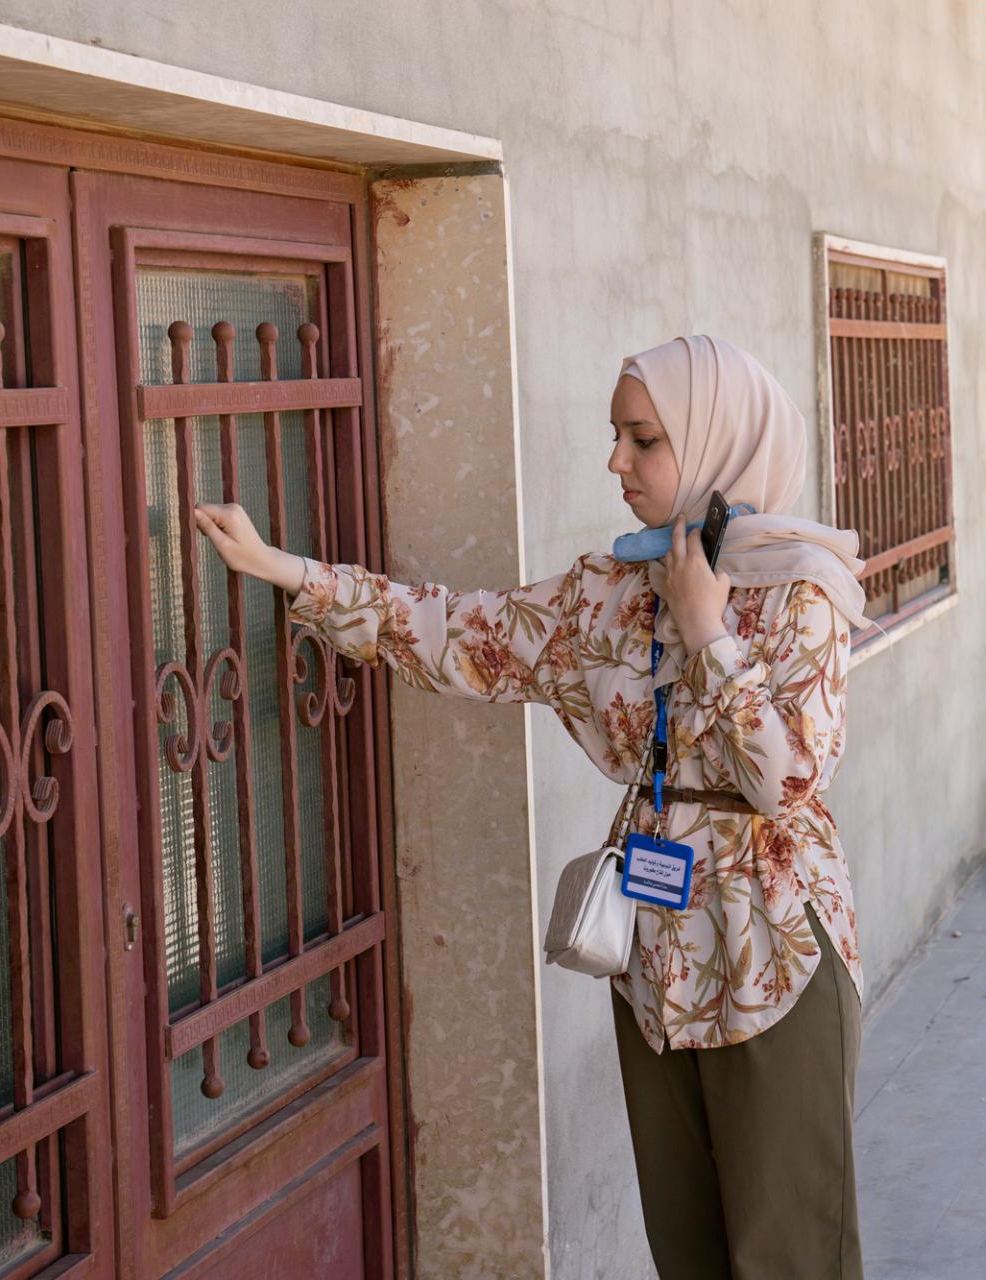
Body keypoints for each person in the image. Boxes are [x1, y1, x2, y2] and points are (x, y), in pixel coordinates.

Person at [195, 335, 869, 1279]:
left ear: (718, 439)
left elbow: (787, 778)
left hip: (774, 958)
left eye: (643, 439)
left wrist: (707, 625)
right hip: (654, 961)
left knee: (791, 1258)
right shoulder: (605, 594)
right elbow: (456, 631)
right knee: (690, 1254)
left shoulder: (802, 588)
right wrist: (290, 574)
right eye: (615, 437)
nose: (616, 462)